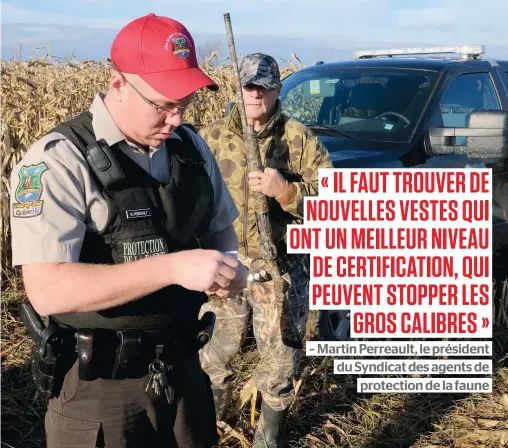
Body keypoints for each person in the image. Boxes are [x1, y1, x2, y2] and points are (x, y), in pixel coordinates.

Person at [10, 13, 248, 448]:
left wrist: (226, 268)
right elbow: (47, 290)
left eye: (186, 104)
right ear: (118, 84)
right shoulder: (59, 161)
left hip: (184, 370)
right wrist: (173, 268)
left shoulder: (191, 149)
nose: (176, 118)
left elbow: (221, 232)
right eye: (162, 104)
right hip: (101, 388)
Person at [198, 53, 334, 447]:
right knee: (212, 350)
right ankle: (207, 424)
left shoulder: (299, 139)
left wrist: (286, 191)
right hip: (223, 262)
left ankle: (268, 438)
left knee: (280, 359)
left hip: (280, 265)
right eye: (247, 86)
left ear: (276, 90)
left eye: (263, 87)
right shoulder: (210, 138)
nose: (254, 94)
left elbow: (335, 202)